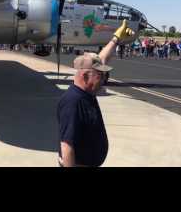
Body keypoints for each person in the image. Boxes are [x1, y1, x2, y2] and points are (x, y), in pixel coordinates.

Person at [57, 19, 135, 167]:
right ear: (85, 76)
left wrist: (116, 38)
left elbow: (102, 59)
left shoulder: (85, 92)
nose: (104, 79)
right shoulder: (73, 102)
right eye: (100, 75)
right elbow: (67, 146)